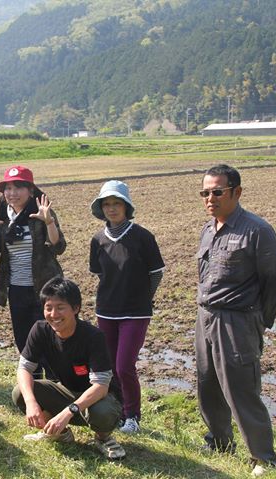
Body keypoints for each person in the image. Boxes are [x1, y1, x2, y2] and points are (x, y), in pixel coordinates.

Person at [195, 164, 276, 477]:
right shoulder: (209, 229)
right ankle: (219, 441)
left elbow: (274, 280)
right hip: (206, 316)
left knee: (241, 391)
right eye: (205, 192)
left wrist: (260, 320)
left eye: (217, 192)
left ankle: (264, 458)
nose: (210, 198)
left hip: (237, 321)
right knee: (207, 386)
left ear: (236, 192)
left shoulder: (256, 230)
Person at [12, 277, 125, 460]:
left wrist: (68, 411)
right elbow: (24, 368)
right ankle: (61, 433)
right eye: (48, 307)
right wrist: (31, 402)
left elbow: (101, 387)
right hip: (67, 392)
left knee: (102, 412)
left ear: (76, 308)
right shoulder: (40, 330)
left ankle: (103, 438)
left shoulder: (93, 337)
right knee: (21, 393)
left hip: (100, 398)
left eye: (60, 307)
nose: (53, 314)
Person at [89, 180, 165, 434]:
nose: (112, 208)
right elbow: (100, 273)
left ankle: (132, 415)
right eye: (107, 204)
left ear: (126, 206)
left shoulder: (142, 237)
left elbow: (156, 272)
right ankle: (116, 410)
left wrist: (143, 296)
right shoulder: (98, 239)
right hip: (106, 311)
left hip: (136, 312)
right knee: (109, 366)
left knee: (124, 366)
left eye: (116, 203)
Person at [0, 166, 66, 370]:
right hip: (16, 288)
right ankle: (35, 384)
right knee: (24, 340)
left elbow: (58, 247)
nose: (12, 193)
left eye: (18, 187)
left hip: (45, 289)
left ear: (30, 190)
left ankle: (56, 384)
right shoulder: (2, 214)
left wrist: (49, 222)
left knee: (50, 339)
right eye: (8, 188)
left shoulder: (41, 212)